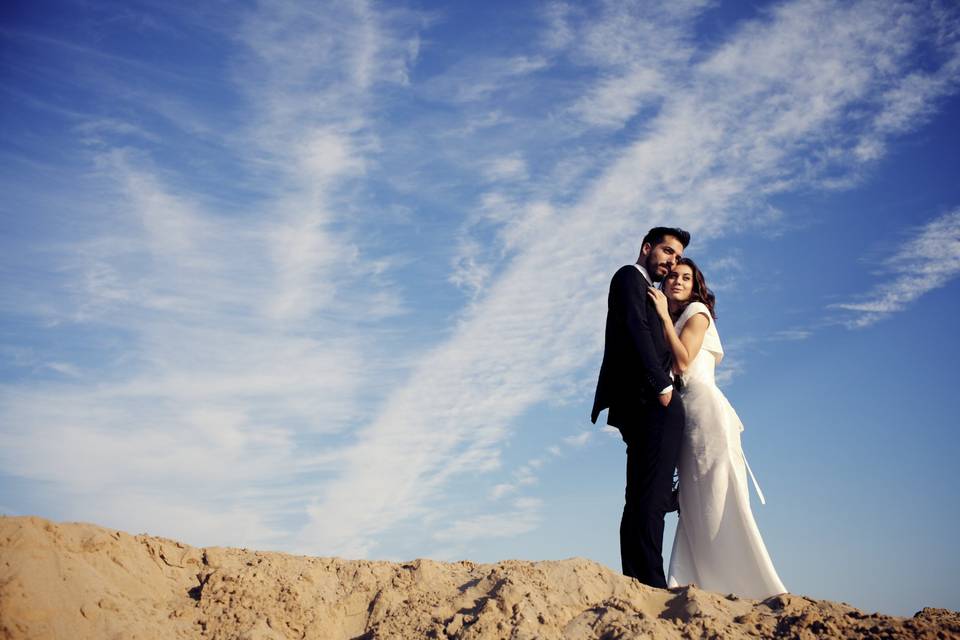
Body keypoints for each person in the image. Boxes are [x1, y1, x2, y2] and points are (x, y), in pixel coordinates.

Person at [646, 257, 787, 599]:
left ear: (696, 287)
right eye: (672, 276)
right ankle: (696, 580)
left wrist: (664, 315)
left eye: (686, 278)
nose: (677, 281)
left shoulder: (696, 313)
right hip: (687, 416)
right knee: (694, 501)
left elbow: (682, 362)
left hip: (706, 413)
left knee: (717, 496)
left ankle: (744, 584)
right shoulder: (679, 318)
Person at [591, 226, 690, 588]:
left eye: (678, 257)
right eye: (667, 251)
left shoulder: (650, 290)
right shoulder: (630, 276)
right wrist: (661, 384)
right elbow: (634, 329)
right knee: (647, 495)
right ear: (646, 247)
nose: (671, 260)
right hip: (652, 401)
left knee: (646, 495)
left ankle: (641, 577)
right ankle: (647, 580)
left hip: (652, 403)